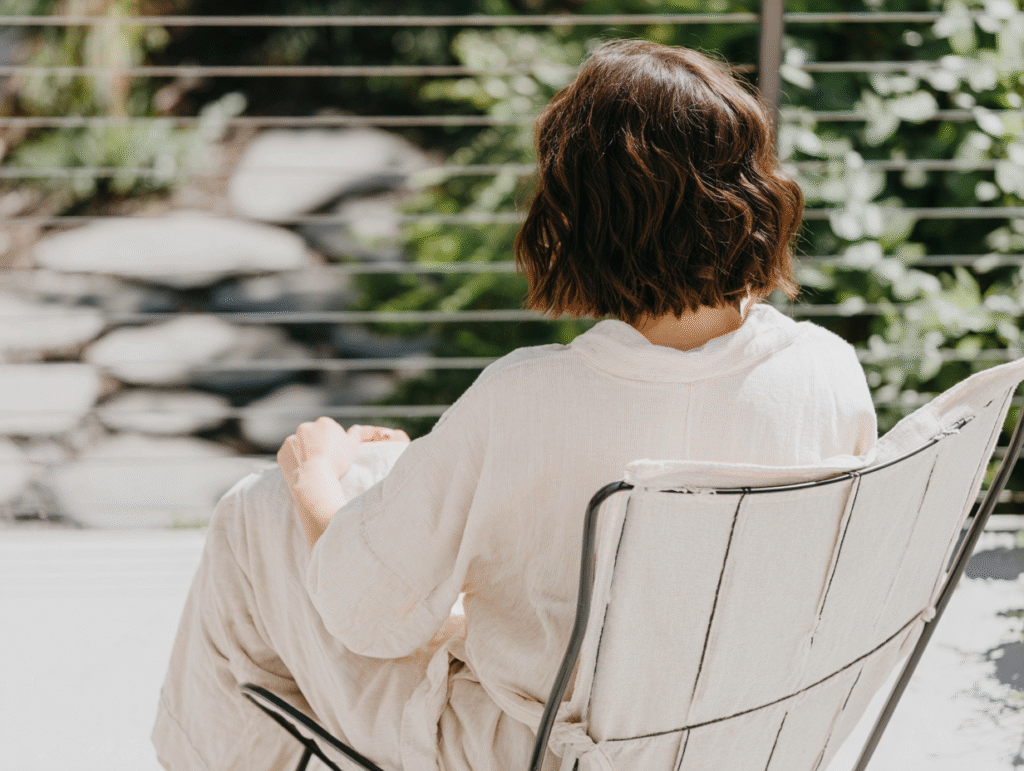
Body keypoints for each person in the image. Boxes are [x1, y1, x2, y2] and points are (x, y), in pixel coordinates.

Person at [153, 40, 877, 771]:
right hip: (745, 741)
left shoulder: (525, 399)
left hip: (533, 753)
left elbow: (365, 615)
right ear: (755, 193)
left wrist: (314, 474)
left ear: (580, 218)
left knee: (253, 515)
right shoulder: (826, 373)